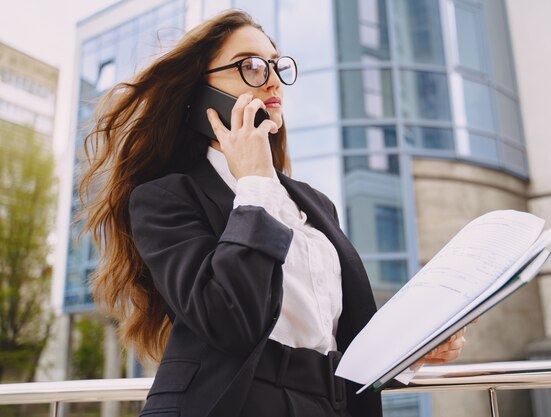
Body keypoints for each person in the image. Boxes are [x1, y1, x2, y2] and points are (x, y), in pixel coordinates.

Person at [79, 9, 466, 417]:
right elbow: (231, 321)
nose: (273, 79)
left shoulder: (314, 202)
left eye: (276, 65)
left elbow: (333, 336)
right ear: (201, 92)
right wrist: (256, 185)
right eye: (251, 66)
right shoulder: (165, 198)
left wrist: (413, 349)